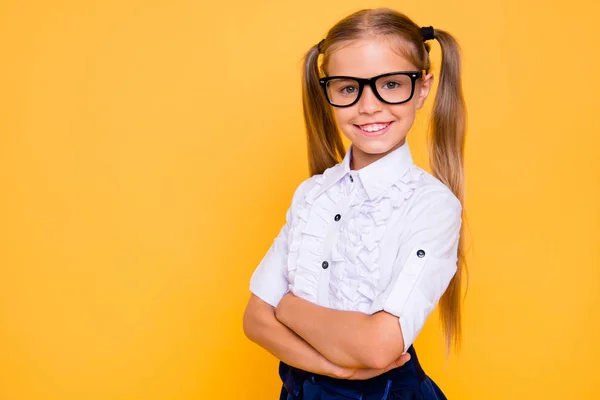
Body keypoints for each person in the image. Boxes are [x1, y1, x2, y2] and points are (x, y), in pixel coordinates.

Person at [243, 7, 467, 400]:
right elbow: (255, 320)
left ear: (423, 88)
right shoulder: (311, 195)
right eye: (349, 88)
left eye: (392, 84)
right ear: (327, 91)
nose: (369, 106)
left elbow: (379, 348)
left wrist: (290, 308)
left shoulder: (431, 206)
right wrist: (333, 370)